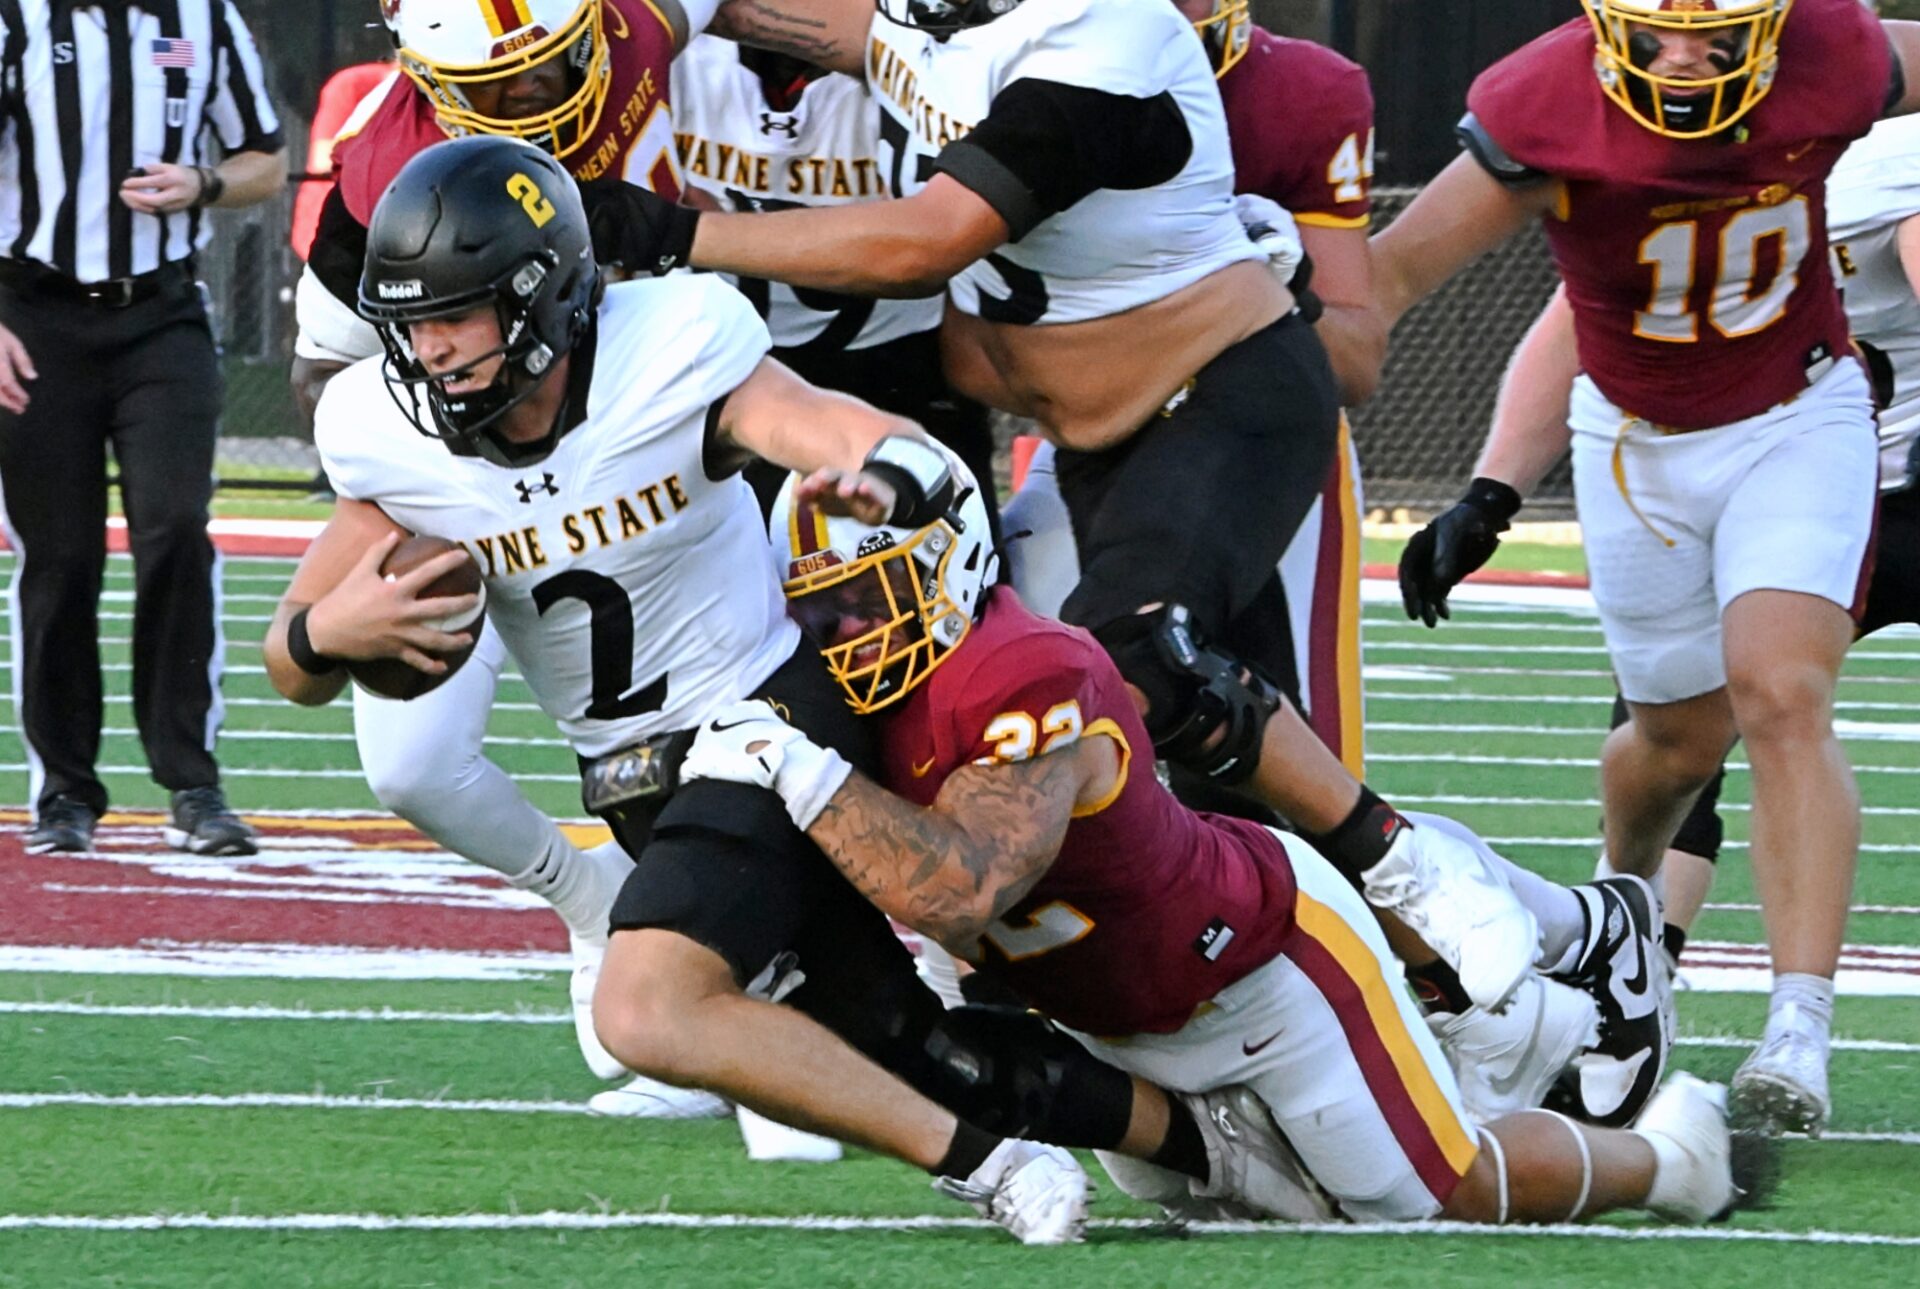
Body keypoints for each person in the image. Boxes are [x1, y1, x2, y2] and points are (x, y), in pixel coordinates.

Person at [268, 136, 1332, 1243]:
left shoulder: (668, 345)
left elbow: (817, 423)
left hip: (766, 713)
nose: (429, 350)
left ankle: (994, 1167)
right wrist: (328, 631)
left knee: (647, 1005)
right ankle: (1211, 1142)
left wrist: (886, 467)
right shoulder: (389, 435)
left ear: (542, 298)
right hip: (636, 778)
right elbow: (291, 661)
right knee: (912, 1050)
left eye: (456, 316)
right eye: (410, 325)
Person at [609, 0, 1547, 1025]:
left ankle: (1406, 864)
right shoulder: (949, 23)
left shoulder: (1105, 32)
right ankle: (1554, 951)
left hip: (1218, 395)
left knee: (1130, 661)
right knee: (1185, 773)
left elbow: (930, 240)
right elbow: (769, 15)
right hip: (1094, 442)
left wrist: (673, 232)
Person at [674, 478, 1759, 1230]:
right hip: (1111, 1012)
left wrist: (798, 773)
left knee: (1429, 1197)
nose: (848, 630)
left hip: (1257, 964)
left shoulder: (1018, 673)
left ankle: (1671, 1160)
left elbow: (964, 887)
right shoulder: (857, 702)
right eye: (824, 606)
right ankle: (1490, 1030)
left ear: (948, 563)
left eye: (870, 597)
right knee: (1282, 1207)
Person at [1374, 0, 1920, 1136]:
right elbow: (1391, 276)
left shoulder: (1833, 53)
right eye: (1654, 34)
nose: (1681, 59)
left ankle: (1798, 1025)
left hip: (1800, 414)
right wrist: (1489, 488)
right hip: (1636, 444)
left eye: (1714, 35)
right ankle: (1621, 918)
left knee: (1783, 691)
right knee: (1675, 743)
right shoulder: (1545, 99)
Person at [288, 0, 726, 1109]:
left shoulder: (631, 27)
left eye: (555, 63)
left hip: (674, 454)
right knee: (410, 762)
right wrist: (438, 469)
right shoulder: (382, 164)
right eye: (505, 82)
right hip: (487, 483)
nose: (540, 93)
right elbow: (323, 367)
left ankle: (809, 991)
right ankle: (593, 902)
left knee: (739, 740)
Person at [0, 0, 285, 856]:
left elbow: (267, 161)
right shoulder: (15, 19)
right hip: (33, 314)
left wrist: (203, 184)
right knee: (59, 556)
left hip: (161, 314)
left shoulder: (203, 16)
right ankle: (65, 791)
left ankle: (193, 782)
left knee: (175, 527)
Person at [670, 35, 997, 527]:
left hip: (900, 359)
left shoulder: (916, 51)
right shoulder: (666, 51)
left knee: (954, 543)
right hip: (729, 362)